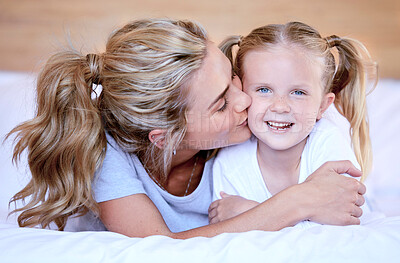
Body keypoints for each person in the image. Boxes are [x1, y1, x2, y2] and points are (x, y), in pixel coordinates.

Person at [7, 18, 366, 239]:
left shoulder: (287, 119)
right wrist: (296, 202)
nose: (245, 102)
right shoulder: (106, 155)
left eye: (234, 80)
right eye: (222, 103)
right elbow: (161, 250)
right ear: (166, 138)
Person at [209, 21, 377, 225]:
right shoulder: (230, 163)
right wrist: (308, 212)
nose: (280, 107)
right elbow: (234, 242)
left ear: (323, 106)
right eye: (264, 89)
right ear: (242, 93)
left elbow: (336, 233)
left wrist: (251, 213)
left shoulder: (328, 145)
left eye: (298, 92)